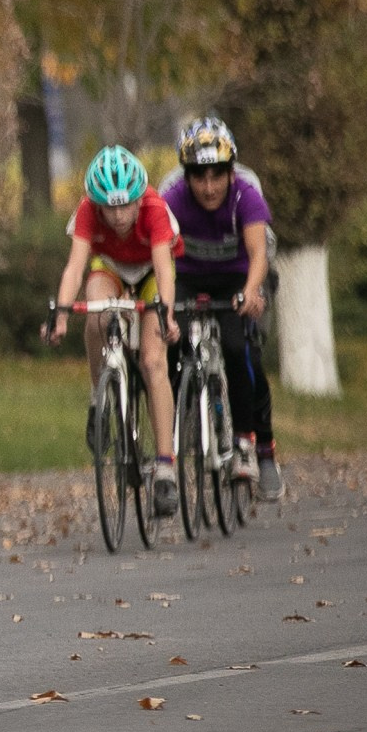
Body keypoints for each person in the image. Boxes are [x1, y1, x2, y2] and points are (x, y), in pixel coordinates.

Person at [50, 144, 183, 517]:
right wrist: (61, 317)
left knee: (154, 362)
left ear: (139, 198)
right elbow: (74, 269)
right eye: (111, 207)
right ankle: (100, 397)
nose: (120, 214)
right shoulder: (87, 212)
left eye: (127, 205)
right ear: (97, 203)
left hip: (151, 274)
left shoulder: (155, 209)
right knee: (96, 313)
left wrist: (167, 316)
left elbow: (164, 270)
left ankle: (165, 468)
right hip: (109, 267)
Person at [159, 115, 279, 500]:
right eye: (199, 176)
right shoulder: (172, 199)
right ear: (187, 176)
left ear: (230, 172)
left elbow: (259, 253)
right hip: (189, 280)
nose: (208, 187)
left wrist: (249, 291)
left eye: (216, 175)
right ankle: (175, 435)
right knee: (169, 342)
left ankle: (251, 443)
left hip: (239, 279)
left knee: (238, 349)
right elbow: (157, 253)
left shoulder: (246, 194)